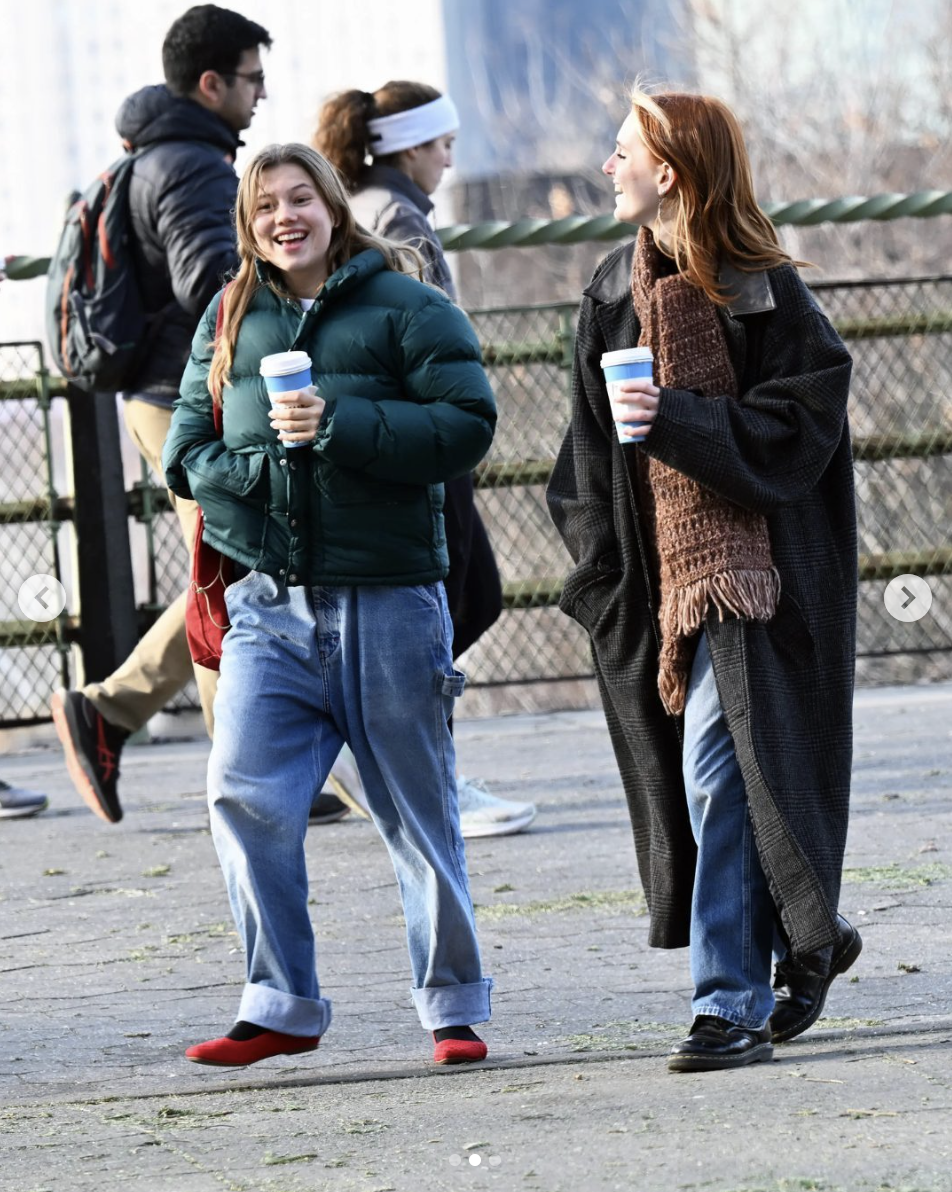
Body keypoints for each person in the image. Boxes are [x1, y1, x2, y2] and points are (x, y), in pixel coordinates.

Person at [546, 86, 862, 1073]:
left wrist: (678, 421)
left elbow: (803, 427)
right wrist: (599, 577)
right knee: (724, 785)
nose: (608, 167)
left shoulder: (763, 287)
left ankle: (725, 1004)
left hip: (762, 579)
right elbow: (583, 458)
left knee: (720, 775)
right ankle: (811, 935)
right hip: (653, 592)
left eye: (620, 151)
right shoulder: (608, 289)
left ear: (668, 171)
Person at [162, 142, 495, 1067]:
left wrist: (340, 427)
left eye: (299, 197)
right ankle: (280, 1004)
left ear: (331, 203)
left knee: (417, 814)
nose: (283, 218)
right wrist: (270, 473)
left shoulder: (409, 305)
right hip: (269, 608)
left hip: (389, 602)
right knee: (242, 791)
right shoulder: (228, 316)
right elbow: (184, 450)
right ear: (247, 222)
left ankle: (453, 1007)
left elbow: (468, 426)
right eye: (264, 205)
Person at [51, 4, 271, 824]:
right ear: (211, 83)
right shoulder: (193, 165)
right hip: (183, 392)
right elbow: (210, 280)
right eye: (251, 80)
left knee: (231, 565)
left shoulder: (159, 152)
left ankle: (116, 717)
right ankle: (228, 761)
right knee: (227, 570)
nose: (260, 97)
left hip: (156, 390)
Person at [313, 80, 536, 838]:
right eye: (443, 146)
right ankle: (408, 768)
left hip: (398, 433)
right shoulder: (395, 213)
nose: (448, 160)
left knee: (460, 600)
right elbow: (426, 333)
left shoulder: (367, 205)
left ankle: (397, 756)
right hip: (423, 438)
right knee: (457, 601)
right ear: (410, 145)